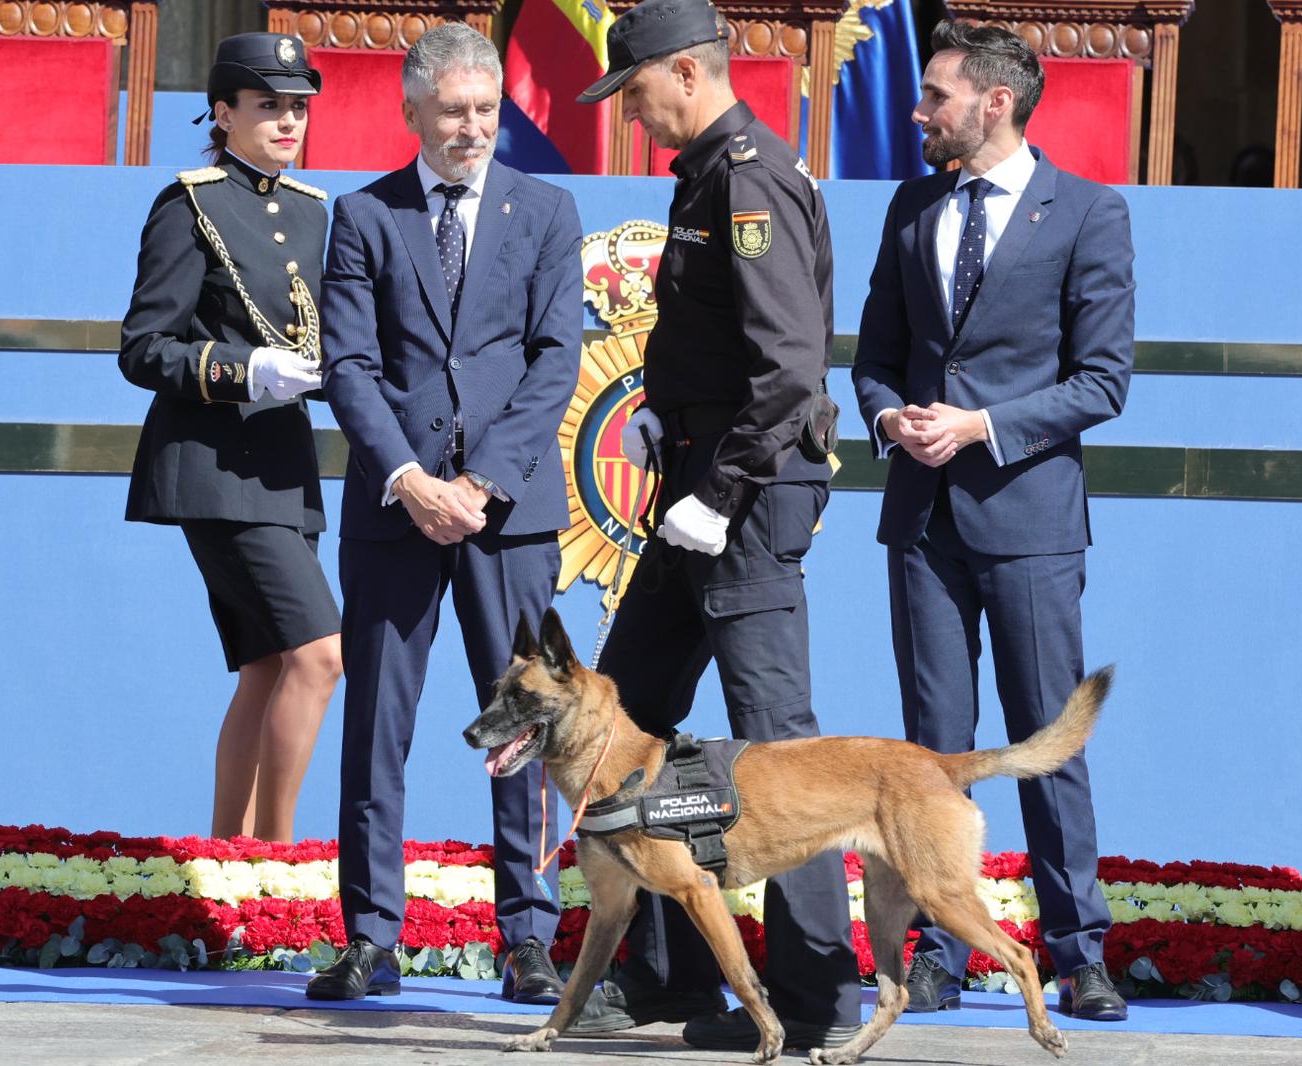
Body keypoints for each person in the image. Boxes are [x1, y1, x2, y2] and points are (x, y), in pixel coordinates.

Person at [566, 0, 862, 1051]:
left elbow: (789, 371)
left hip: (742, 498)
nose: (631, 114)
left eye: (636, 91)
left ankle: (818, 1004)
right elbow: (712, 341)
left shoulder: (748, 178)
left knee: (782, 755)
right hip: (694, 487)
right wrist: (657, 411)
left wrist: (719, 488)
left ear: (686, 72)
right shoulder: (703, 172)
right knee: (627, 725)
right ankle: (670, 976)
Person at [851, 20, 1134, 1021]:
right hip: (922, 521)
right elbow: (875, 354)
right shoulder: (912, 203)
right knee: (931, 751)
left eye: (934, 94)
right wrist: (891, 416)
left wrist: (980, 424)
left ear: (995, 103)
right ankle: (937, 947)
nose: (917, 110)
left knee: (1045, 736)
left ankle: (1076, 948)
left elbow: (1103, 381)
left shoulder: (1088, 214)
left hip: (1030, 521)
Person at [311, 23, 582, 1006]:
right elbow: (348, 365)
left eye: (485, 109)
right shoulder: (364, 214)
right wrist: (410, 480)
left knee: (525, 730)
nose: (473, 127)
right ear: (411, 109)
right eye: (455, 110)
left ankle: (528, 938)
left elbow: (556, 359)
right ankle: (371, 939)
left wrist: (480, 483)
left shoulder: (546, 208)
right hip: (395, 512)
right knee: (376, 727)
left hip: (506, 518)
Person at [119, 32, 341, 845]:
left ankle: (230, 856)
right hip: (215, 469)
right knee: (320, 657)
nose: (288, 122)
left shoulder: (315, 211)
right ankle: (278, 861)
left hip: (285, 468)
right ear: (222, 113)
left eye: (298, 107)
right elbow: (143, 348)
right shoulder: (190, 203)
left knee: (269, 667)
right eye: (268, 106)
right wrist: (244, 371)